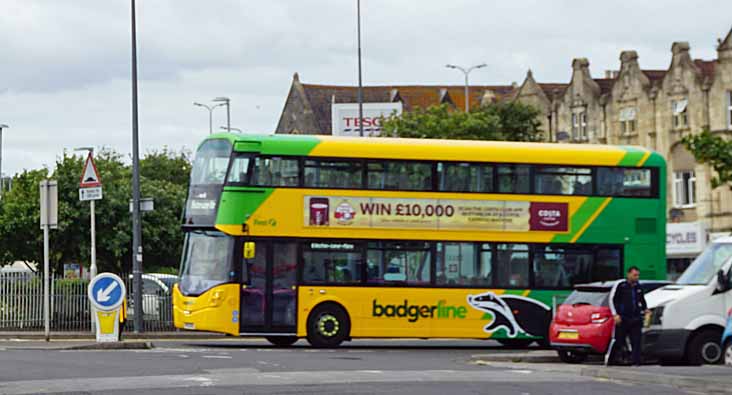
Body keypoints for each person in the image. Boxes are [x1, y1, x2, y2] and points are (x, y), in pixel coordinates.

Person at [608, 266, 649, 366]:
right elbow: (612, 299)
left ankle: (636, 361)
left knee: (636, 340)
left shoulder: (638, 287)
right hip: (623, 318)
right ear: (629, 274)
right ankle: (614, 360)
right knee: (619, 340)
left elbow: (642, 300)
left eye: (638, 275)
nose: (637, 277)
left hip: (635, 318)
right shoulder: (621, 285)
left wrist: (645, 309)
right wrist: (615, 314)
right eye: (635, 275)